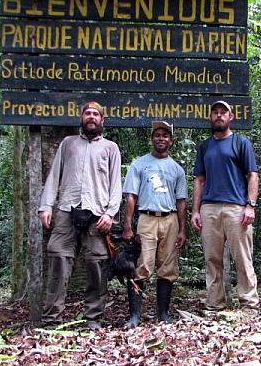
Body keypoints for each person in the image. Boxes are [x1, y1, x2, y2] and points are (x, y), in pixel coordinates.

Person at [39, 102, 122, 329]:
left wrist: (110, 214)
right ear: (81, 118)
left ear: (102, 120)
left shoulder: (110, 148)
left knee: (97, 264)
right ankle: (51, 319)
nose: (92, 117)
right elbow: (55, 174)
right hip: (67, 209)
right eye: (88, 113)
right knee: (58, 258)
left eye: (96, 114)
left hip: (97, 213)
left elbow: (116, 184)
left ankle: (93, 317)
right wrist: (46, 206)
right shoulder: (68, 144)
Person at [190, 100, 260, 313]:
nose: (219, 116)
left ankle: (249, 304)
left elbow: (252, 175)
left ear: (231, 117)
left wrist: (251, 205)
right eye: (215, 113)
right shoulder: (205, 147)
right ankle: (215, 305)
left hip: (236, 208)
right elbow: (199, 180)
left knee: (242, 257)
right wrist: (195, 211)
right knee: (212, 259)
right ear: (210, 118)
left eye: (223, 112)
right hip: (209, 208)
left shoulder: (241, 143)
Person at [122, 121, 188, 327]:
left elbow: (181, 201)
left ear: (171, 141)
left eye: (165, 135)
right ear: (152, 139)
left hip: (170, 219)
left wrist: (182, 230)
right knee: (141, 266)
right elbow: (131, 196)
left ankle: (163, 314)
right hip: (146, 218)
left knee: (168, 268)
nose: (161, 138)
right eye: (157, 135)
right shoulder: (139, 164)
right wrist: (127, 226)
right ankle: (134, 316)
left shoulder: (177, 169)